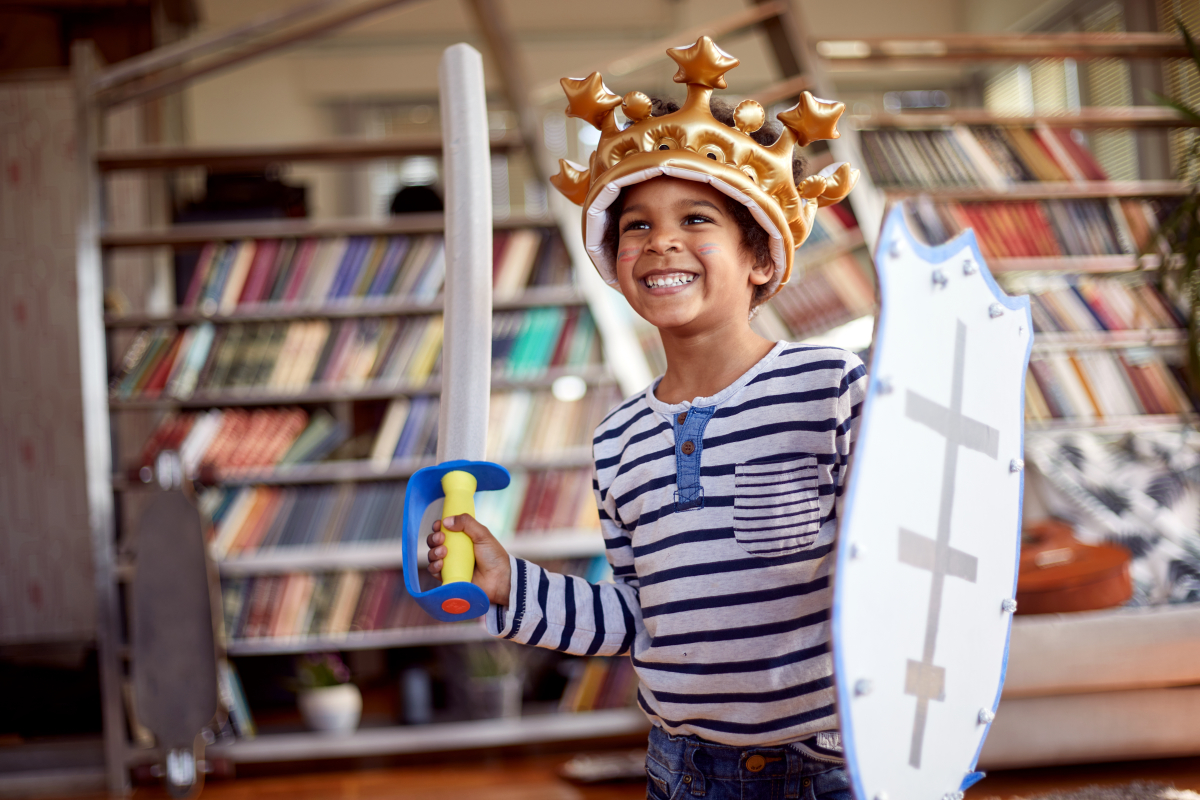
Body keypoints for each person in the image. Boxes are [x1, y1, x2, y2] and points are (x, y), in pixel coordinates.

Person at [427, 37, 865, 800]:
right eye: (636, 226)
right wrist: (509, 585)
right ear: (616, 260)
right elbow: (636, 616)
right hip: (684, 770)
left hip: (832, 764)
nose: (660, 239)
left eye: (697, 219)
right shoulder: (618, 440)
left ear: (762, 259)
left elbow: (897, 574)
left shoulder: (832, 389)